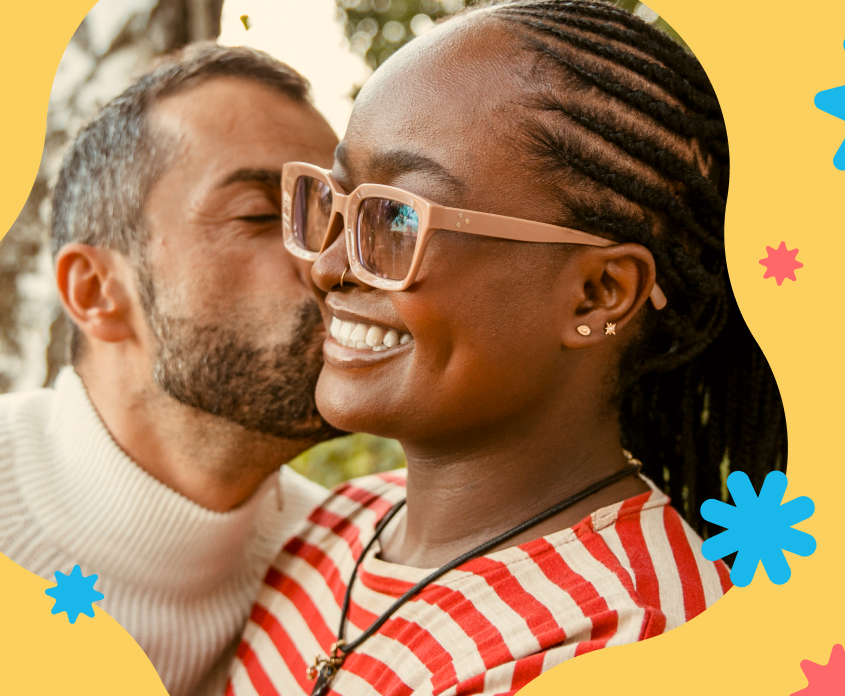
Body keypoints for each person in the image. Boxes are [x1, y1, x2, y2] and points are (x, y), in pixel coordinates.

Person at [230, 1, 788, 694]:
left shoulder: (629, 636)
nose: (325, 267)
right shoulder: (333, 527)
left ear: (598, 292)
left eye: (398, 218)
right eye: (335, 201)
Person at [0, 44, 342, 696]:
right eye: (263, 216)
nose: (335, 264)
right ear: (98, 290)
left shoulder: (344, 567)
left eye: (336, 221)